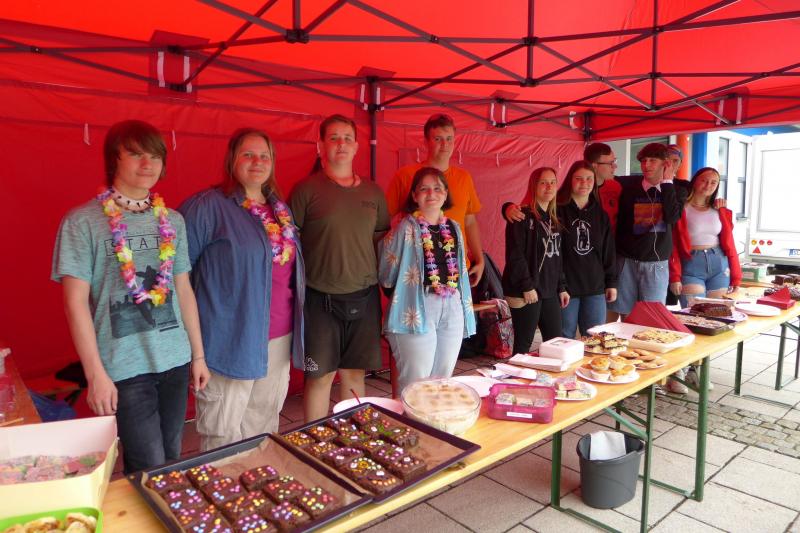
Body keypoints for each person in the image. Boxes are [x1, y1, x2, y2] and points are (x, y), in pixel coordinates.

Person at [52, 120, 209, 473]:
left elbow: (183, 289)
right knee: (147, 464)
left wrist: (198, 355)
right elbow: (75, 303)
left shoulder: (173, 221)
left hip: (175, 359)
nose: (147, 164)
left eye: (155, 156)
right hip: (123, 365)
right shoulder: (82, 222)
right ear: (114, 159)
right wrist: (95, 374)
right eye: (136, 154)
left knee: (171, 455)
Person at [179, 128, 306, 451]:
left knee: (263, 424)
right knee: (222, 431)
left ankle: (257, 480)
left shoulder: (281, 210)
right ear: (231, 160)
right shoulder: (207, 207)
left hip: (278, 337)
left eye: (264, 156)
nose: (257, 162)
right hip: (229, 339)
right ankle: (223, 483)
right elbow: (178, 276)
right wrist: (194, 348)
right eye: (247, 154)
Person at [290, 114, 390, 422]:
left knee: (354, 374)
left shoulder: (373, 193)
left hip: (364, 296)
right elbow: (289, 244)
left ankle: (351, 440)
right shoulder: (305, 190)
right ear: (321, 145)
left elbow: (380, 239)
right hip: (319, 298)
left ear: (357, 146)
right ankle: (313, 440)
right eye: (333, 138)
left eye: (347, 138)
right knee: (320, 377)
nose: (341, 144)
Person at [379, 167, 476, 393]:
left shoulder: (455, 227)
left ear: (445, 194)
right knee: (416, 381)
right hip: (418, 304)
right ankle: (411, 417)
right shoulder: (405, 228)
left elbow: (460, 270)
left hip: (452, 304)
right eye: (424, 189)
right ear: (414, 196)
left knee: (443, 378)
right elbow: (386, 272)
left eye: (437, 188)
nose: (431, 193)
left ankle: (435, 416)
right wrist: (400, 294)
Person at [385, 113, 485, 286]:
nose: (445, 145)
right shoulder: (405, 176)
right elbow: (384, 220)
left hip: (456, 270)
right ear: (426, 142)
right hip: (417, 273)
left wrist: (479, 259)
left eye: (449, 139)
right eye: (438, 139)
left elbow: (469, 221)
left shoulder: (464, 178)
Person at [608, 143, 682, 318]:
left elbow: (672, 217)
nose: (646, 165)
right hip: (626, 260)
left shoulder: (677, 190)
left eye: (652, 160)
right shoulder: (627, 186)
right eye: (643, 161)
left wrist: (667, 182)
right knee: (626, 314)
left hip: (656, 263)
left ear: (665, 163)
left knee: (652, 316)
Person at [502, 167, 570, 354]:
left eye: (553, 182)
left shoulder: (554, 218)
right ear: (533, 186)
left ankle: (547, 374)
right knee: (524, 345)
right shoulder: (521, 215)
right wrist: (527, 286)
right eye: (543, 182)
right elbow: (515, 256)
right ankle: (517, 374)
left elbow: (557, 257)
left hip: (549, 289)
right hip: (526, 289)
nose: (549, 187)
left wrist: (562, 287)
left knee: (555, 342)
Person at [556, 161, 617, 338]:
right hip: (566, 288)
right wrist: (560, 285)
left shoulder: (600, 215)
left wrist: (611, 283)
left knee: (594, 338)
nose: (584, 183)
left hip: (595, 288)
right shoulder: (557, 211)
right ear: (570, 180)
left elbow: (608, 252)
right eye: (579, 178)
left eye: (589, 178)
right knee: (564, 338)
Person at [503, 142, 622, 233]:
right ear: (595, 166)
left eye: (588, 179)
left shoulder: (616, 186)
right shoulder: (561, 202)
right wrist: (508, 208)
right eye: (610, 163)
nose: (615, 166)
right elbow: (533, 208)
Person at [669, 166, 742, 305]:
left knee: (717, 312)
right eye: (704, 180)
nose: (708, 185)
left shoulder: (719, 210)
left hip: (719, 265)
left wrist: (736, 277)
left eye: (713, 182)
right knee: (693, 311)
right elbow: (673, 245)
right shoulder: (681, 208)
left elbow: (730, 244)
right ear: (695, 181)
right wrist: (675, 277)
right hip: (691, 265)